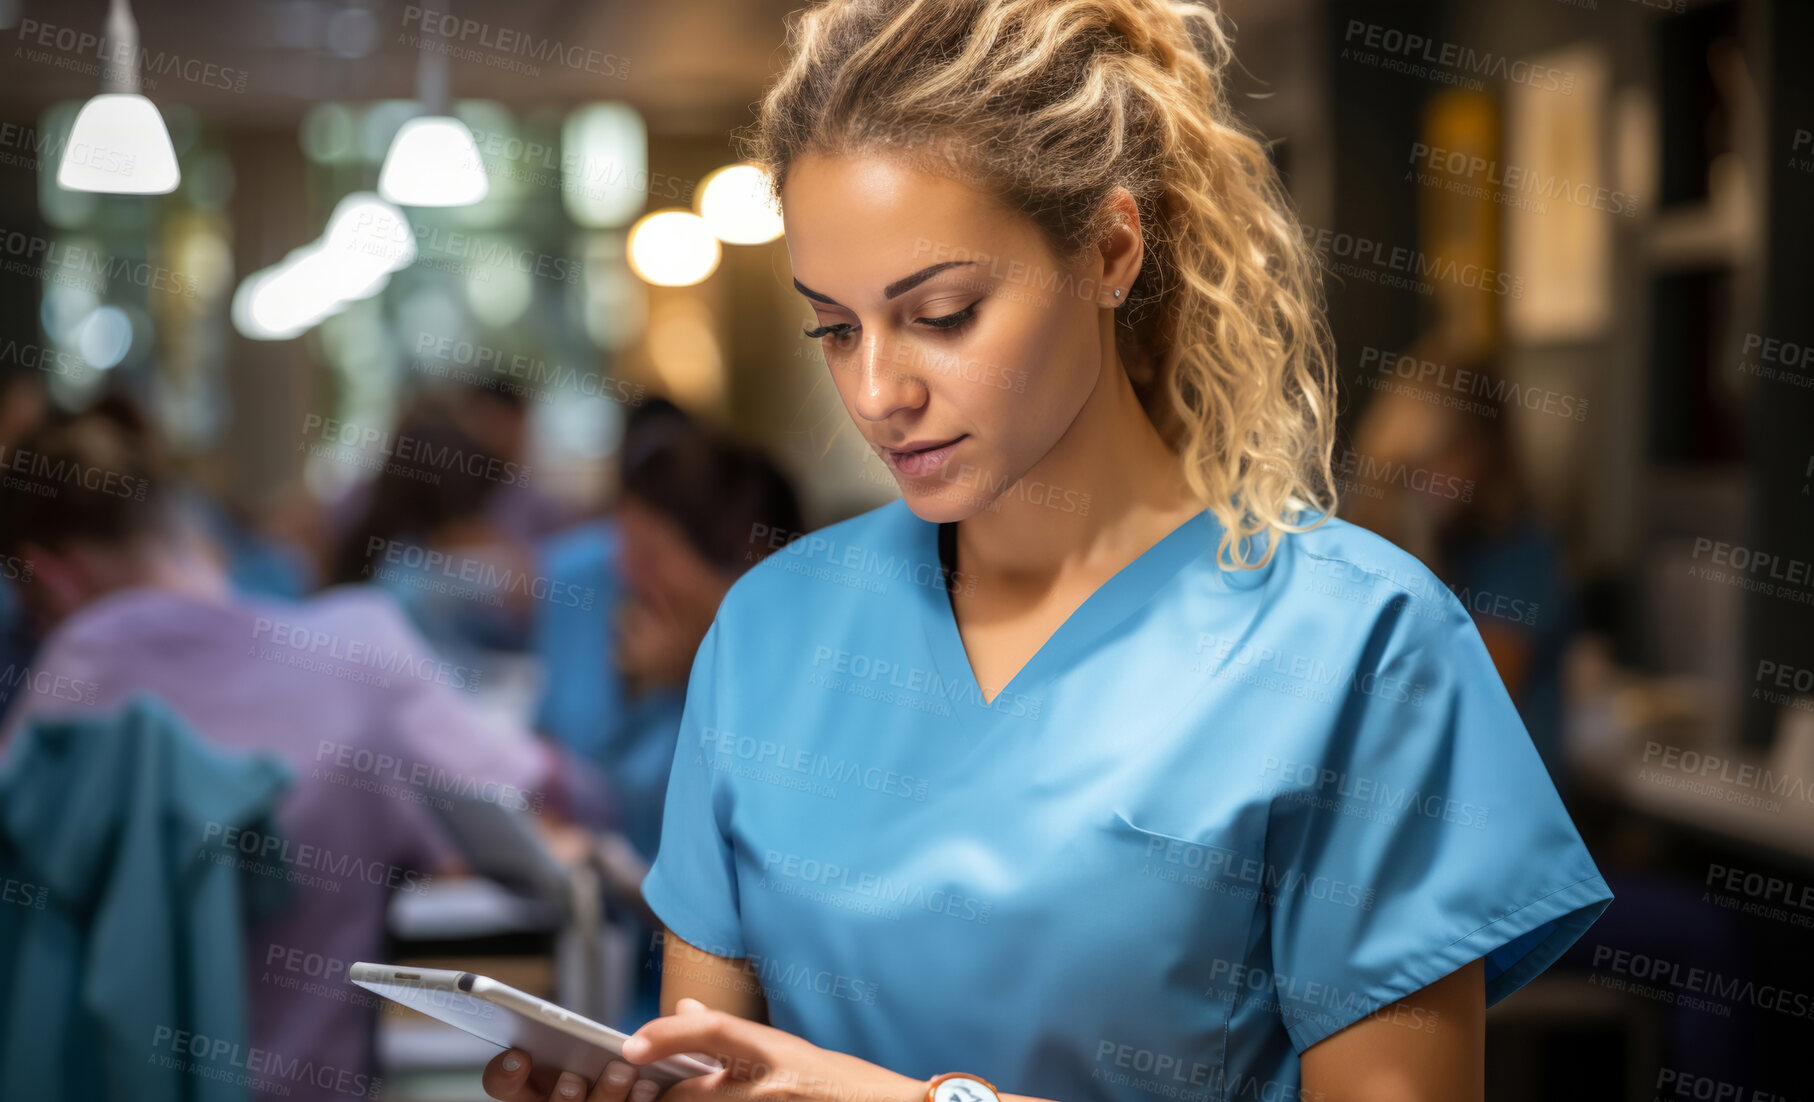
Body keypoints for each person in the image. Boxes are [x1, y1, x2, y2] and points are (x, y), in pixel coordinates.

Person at [483, 3, 1614, 1101]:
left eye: (942, 312)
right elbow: (722, 1062)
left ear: (1109, 251)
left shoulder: (1359, 647)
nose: (877, 393)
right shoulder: (771, 630)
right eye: (834, 326)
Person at [0, 396, 571, 1102]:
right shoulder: (361, 650)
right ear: (184, 529)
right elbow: (538, 798)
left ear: (47, 573)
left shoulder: (57, 692)